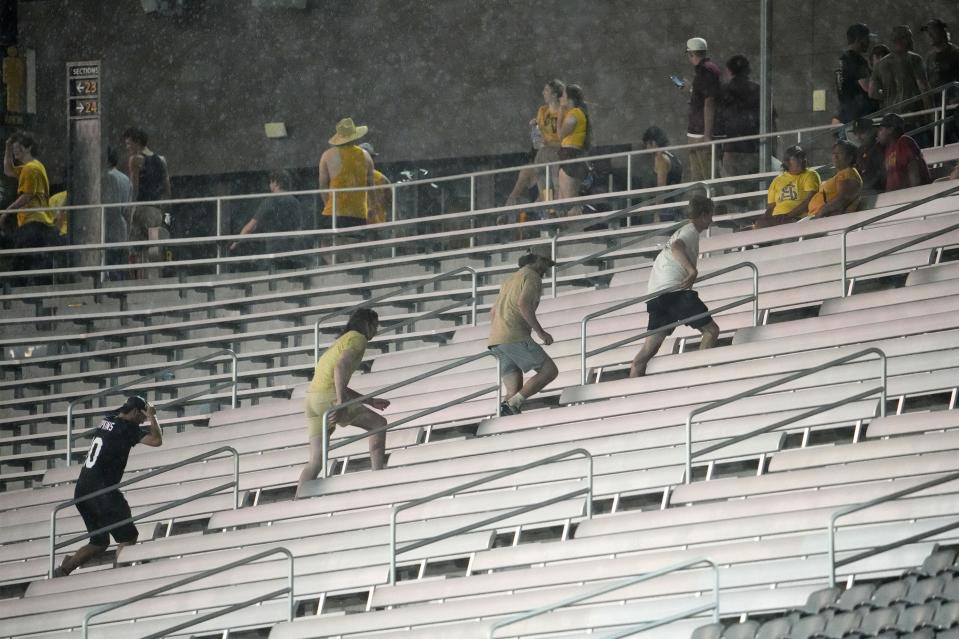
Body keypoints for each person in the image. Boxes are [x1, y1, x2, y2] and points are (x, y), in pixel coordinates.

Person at [55, 396, 163, 576]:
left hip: (82, 490)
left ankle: (63, 570)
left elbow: (121, 416)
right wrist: (153, 417)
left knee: (99, 542)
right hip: (103, 492)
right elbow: (156, 441)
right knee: (128, 537)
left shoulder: (107, 420)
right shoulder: (127, 428)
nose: (143, 420)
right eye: (142, 416)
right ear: (136, 411)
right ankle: (119, 578)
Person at [298, 309, 390, 494]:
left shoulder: (341, 340)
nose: (376, 331)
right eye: (375, 326)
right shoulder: (358, 338)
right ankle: (378, 476)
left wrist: (369, 401)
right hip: (328, 397)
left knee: (315, 462)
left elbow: (336, 379)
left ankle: (297, 501)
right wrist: (340, 402)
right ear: (367, 324)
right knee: (379, 424)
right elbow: (340, 367)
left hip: (312, 400)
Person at [630, 195, 720, 378]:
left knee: (649, 349)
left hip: (657, 295)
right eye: (711, 215)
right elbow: (676, 248)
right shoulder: (690, 232)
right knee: (711, 330)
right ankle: (698, 379)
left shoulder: (682, 231)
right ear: (703, 215)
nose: (712, 219)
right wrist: (691, 271)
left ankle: (632, 383)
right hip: (674, 292)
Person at [488, 251, 559, 416]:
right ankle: (513, 404)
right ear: (538, 260)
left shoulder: (509, 280)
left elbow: (492, 312)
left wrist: (500, 332)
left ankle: (505, 420)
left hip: (497, 339)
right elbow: (523, 304)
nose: (547, 270)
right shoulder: (532, 277)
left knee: (513, 389)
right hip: (514, 336)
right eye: (546, 264)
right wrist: (541, 333)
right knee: (549, 371)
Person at [1, 131, 57, 279]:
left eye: (18, 147)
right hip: (38, 221)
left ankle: (16, 295)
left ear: (29, 148)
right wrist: (7, 147)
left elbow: (28, 195)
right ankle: (33, 296)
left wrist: (7, 211)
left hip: (32, 220)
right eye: (14, 148)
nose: (15, 150)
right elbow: (8, 170)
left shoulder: (30, 169)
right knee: (34, 261)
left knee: (20, 263)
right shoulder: (34, 166)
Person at [506, 79, 566, 206]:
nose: (543, 93)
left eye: (546, 91)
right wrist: (535, 128)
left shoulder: (564, 111)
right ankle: (548, 212)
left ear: (555, 95)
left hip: (558, 152)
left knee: (557, 186)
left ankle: (558, 211)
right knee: (544, 188)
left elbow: (565, 139)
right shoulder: (543, 111)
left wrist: (549, 142)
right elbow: (538, 137)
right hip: (543, 153)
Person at [229, 169, 304, 266]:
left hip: (274, 251)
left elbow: (250, 227)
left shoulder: (270, 201)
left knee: (270, 273)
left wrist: (236, 242)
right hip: (291, 251)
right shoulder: (295, 202)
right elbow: (299, 227)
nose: (270, 185)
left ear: (276, 183)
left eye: (271, 182)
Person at [123, 127, 171, 265]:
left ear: (137, 142)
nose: (127, 148)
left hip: (142, 209)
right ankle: (154, 280)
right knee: (154, 250)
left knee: (134, 251)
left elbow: (134, 188)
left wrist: (130, 210)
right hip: (157, 211)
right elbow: (167, 189)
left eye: (128, 144)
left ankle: (136, 283)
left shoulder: (135, 160)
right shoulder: (161, 160)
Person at [319, 117, 373, 229]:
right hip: (358, 214)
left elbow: (323, 186)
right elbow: (371, 186)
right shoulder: (366, 156)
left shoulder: (328, 155)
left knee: (332, 245)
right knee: (356, 245)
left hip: (334, 212)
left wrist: (327, 204)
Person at [684, 37, 723, 182]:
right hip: (698, 131)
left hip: (700, 133)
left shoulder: (705, 71)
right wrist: (691, 89)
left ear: (691, 54)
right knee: (701, 178)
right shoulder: (709, 70)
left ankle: (715, 204)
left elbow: (709, 102)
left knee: (706, 177)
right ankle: (706, 203)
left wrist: (707, 135)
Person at [754, 145, 821, 228]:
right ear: (787, 162)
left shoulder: (810, 174)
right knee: (757, 226)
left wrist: (788, 215)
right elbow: (771, 207)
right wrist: (763, 220)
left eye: (803, 157)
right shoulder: (777, 180)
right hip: (777, 219)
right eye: (798, 157)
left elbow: (810, 200)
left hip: (797, 218)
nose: (803, 160)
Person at [869, 26, 931, 115]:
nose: (912, 41)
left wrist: (888, 95)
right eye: (909, 37)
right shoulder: (914, 59)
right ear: (901, 40)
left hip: (890, 115)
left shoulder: (880, 63)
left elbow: (872, 92)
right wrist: (930, 111)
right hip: (912, 113)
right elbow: (923, 86)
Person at [720, 54, 761, 178]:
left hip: (732, 146)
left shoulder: (724, 90)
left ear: (729, 71)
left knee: (736, 181)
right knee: (754, 180)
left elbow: (718, 116)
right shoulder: (757, 89)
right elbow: (770, 116)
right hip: (754, 145)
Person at [922, 19, 959, 144]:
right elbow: (926, 81)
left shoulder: (955, 53)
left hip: (954, 108)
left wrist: (955, 99)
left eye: (932, 32)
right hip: (936, 108)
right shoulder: (929, 58)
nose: (930, 36)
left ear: (942, 32)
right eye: (928, 33)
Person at [556, 84, 591, 214]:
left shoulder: (574, 114)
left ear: (570, 99)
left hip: (570, 156)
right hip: (569, 155)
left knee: (570, 201)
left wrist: (560, 114)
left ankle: (576, 229)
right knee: (563, 198)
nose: (560, 98)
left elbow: (560, 134)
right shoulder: (575, 113)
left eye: (563, 95)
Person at [805, 141, 863, 218]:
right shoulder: (842, 173)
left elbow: (842, 199)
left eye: (839, 153)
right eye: (833, 153)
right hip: (817, 217)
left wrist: (820, 213)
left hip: (824, 219)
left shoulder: (848, 173)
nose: (835, 157)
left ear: (850, 158)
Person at [877, 112, 932, 191]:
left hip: (908, 197)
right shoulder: (888, 149)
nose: (878, 133)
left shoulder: (904, 141)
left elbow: (913, 171)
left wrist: (915, 195)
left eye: (881, 129)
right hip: (895, 198)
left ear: (890, 130)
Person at [837, 24, 878, 123]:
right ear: (858, 39)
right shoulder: (856, 59)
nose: (869, 42)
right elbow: (868, 87)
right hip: (861, 116)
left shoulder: (842, 60)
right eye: (867, 38)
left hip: (848, 115)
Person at [102, 146, 132, 275]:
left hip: (109, 226)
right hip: (122, 225)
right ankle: (121, 292)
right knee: (121, 265)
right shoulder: (125, 179)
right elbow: (128, 206)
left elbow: (110, 206)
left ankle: (115, 292)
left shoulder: (108, 178)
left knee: (112, 264)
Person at [359, 142, 392, 225]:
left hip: (377, 224)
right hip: (360, 226)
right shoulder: (350, 180)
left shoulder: (382, 180)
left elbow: (391, 202)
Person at [851, 117, 886, 194]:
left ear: (872, 131)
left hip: (879, 191)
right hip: (866, 191)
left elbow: (881, 174)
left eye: (862, 132)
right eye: (856, 133)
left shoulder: (879, 147)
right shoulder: (860, 150)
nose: (858, 137)